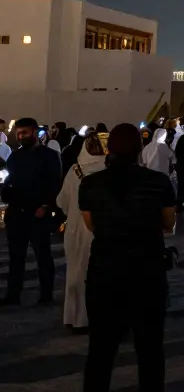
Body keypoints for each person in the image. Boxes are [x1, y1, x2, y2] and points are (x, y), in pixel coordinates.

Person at [74, 124, 177, 392]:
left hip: (105, 271)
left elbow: (91, 225)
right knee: (149, 347)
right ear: (139, 149)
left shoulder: (90, 184)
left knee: (100, 350)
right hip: (146, 271)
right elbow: (169, 223)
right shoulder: (158, 182)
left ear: (110, 149)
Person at [1, 117, 63, 305]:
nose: (21, 137)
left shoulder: (50, 156)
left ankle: (46, 295)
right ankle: (13, 294)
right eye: (18, 134)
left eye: (25, 133)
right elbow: (9, 180)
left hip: (38, 214)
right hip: (17, 214)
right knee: (16, 257)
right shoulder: (15, 156)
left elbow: (54, 184)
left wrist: (45, 206)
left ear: (35, 133)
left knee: (43, 256)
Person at [60, 131, 107, 330]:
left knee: (75, 274)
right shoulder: (109, 170)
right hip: (100, 229)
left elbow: (62, 201)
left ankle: (74, 317)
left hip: (75, 230)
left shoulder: (74, 170)